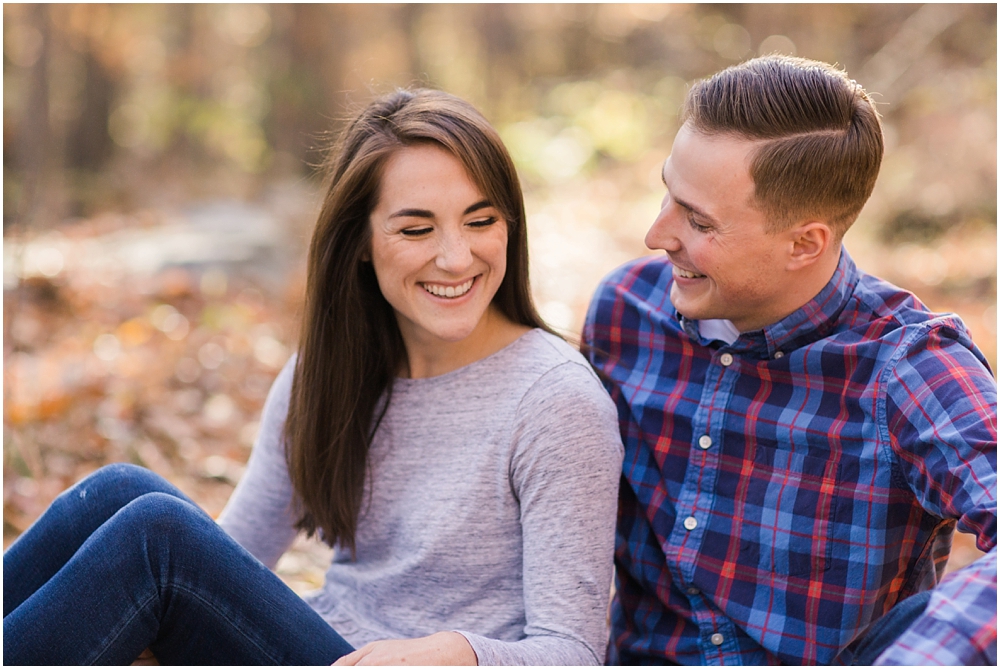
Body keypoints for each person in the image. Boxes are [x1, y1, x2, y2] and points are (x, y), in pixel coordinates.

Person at [4, 89, 624, 666]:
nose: (457, 257)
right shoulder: (329, 372)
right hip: (324, 642)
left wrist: (454, 651)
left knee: (155, 537)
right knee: (120, 493)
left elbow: (570, 652)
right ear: (359, 242)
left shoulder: (554, 402)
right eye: (416, 229)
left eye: (481, 221)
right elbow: (234, 557)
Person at [583, 55, 997, 665]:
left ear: (805, 243)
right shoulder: (626, 314)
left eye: (698, 221)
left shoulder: (909, 367)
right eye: (667, 193)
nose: (657, 234)